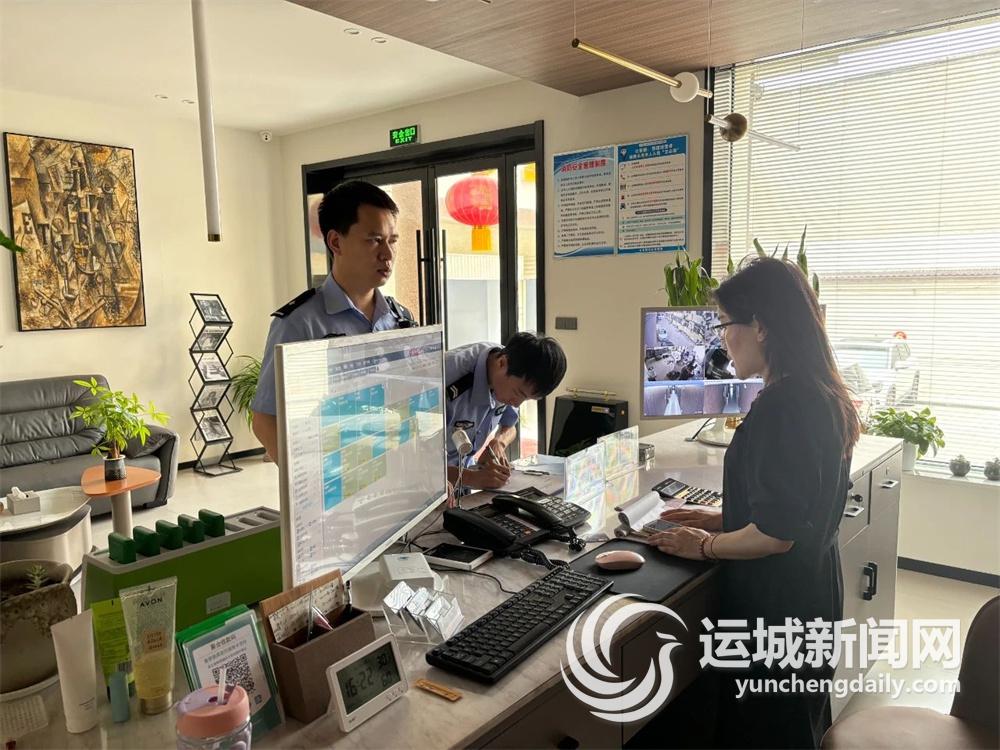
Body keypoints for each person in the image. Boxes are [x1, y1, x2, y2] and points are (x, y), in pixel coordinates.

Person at [648, 257, 861, 749]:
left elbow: (775, 535)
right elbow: (799, 503)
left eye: (726, 324)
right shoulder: (820, 393)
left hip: (776, 608)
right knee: (794, 727)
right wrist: (726, 516)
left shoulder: (783, 405)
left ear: (760, 327)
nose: (722, 339)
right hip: (811, 597)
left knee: (764, 734)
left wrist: (704, 545)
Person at [251, 181, 415, 464]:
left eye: (393, 241)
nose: (387, 254)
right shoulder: (301, 324)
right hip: (338, 475)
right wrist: (309, 478)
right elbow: (266, 419)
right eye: (374, 240)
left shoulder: (400, 319)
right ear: (336, 242)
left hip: (396, 469)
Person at [445, 332, 567, 490]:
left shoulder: (511, 367)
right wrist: (471, 478)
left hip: (461, 482)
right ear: (502, 363)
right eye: (518, 393)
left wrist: (499, 442)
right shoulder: (445, 379)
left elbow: (510, 426)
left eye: (526, 399)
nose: (517, 404)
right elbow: (417, 463)